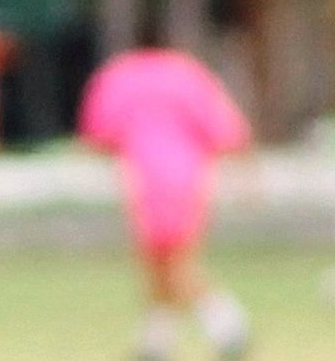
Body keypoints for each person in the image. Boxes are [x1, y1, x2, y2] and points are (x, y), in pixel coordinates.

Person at [78, 37, 254, 360]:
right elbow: (227, 130)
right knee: (159, 261)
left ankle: (229, 326)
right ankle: (156, 342)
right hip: (189, 174)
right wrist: (246, 176)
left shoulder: (119, 75)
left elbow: (99, 134)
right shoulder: (189, 73)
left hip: (145, 176)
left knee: (173, 262)